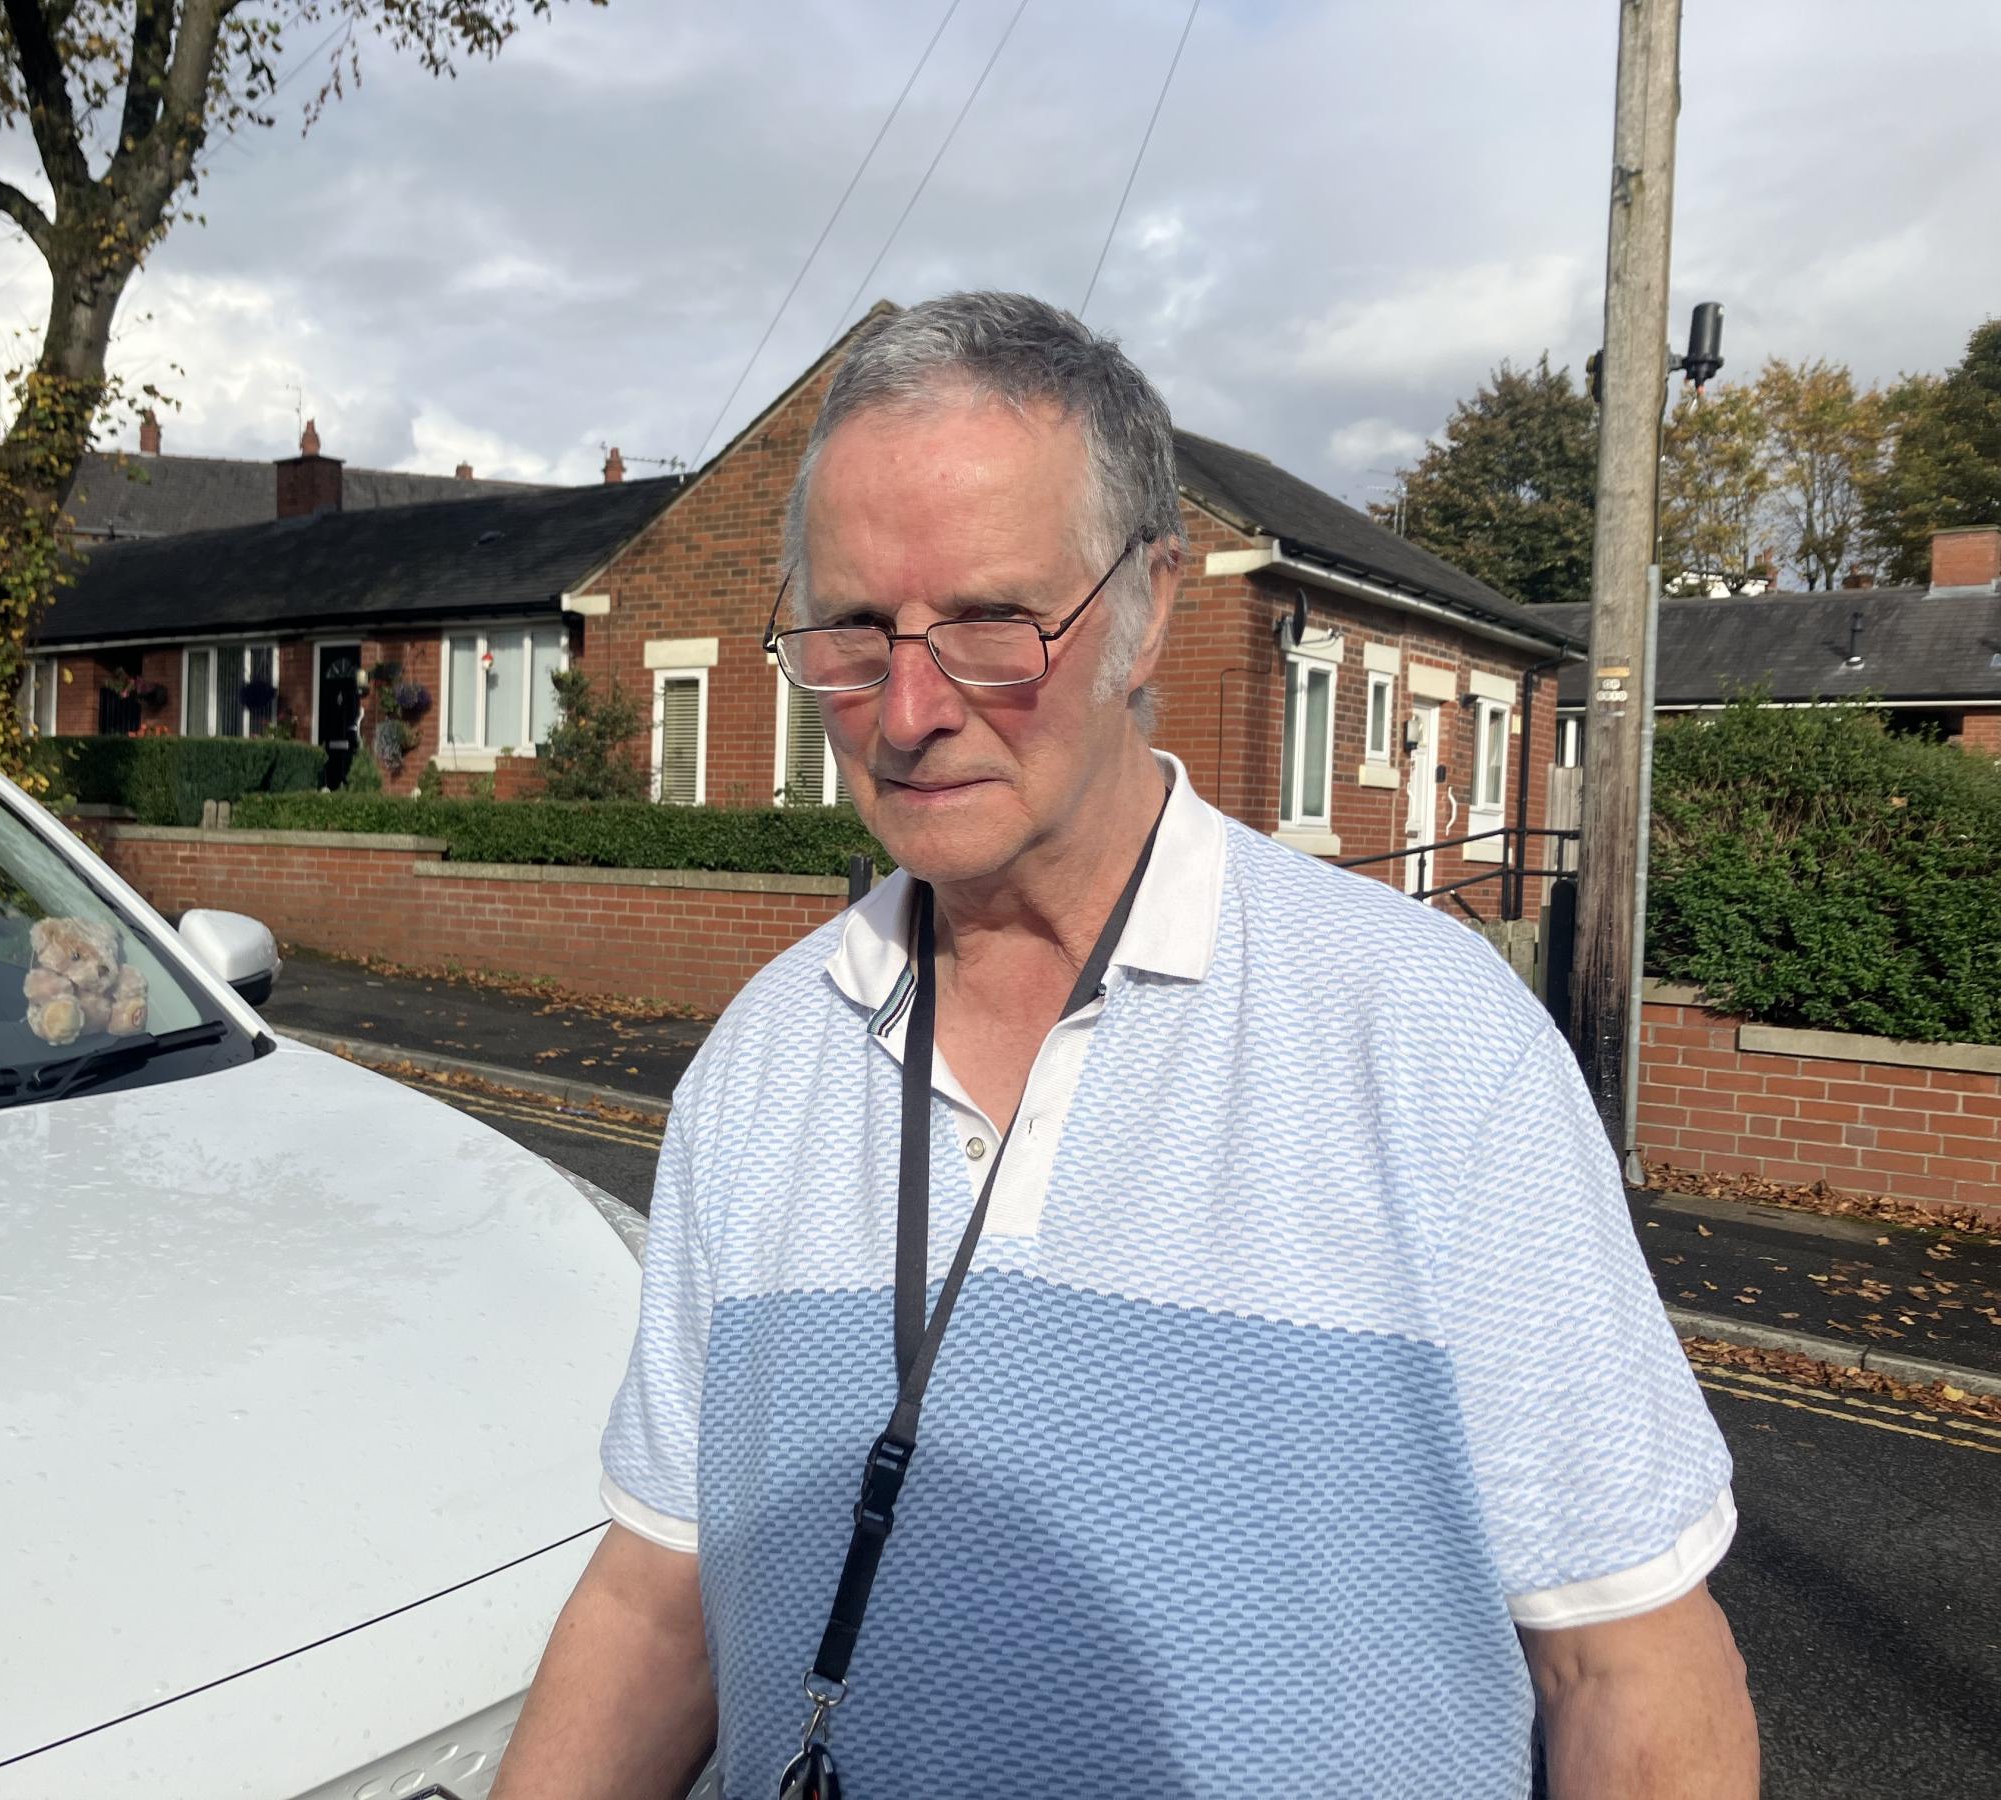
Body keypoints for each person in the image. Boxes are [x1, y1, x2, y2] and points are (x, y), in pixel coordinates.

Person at [492, 292, 1755, 1799]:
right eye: (851, 634)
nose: (906, 711)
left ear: (1151, 608)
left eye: (989, 626)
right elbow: (657, 1607)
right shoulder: (764, 1065)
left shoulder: (1429, 1045)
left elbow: (1627, 1668)